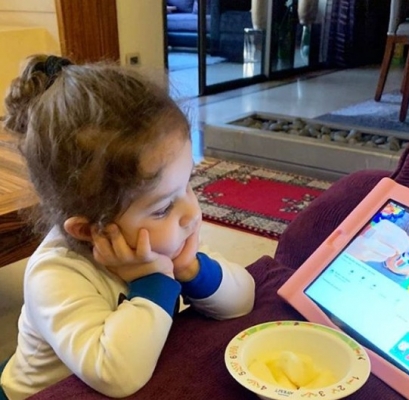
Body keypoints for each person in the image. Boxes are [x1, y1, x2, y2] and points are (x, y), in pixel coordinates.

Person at [0, 55, 256, 400]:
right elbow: (117, 375)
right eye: (163, 207)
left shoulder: (167, 241)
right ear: (89, 231)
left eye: (188, 185)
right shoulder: (56, 275)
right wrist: (153, 280)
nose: (191, 213)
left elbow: (243, 300)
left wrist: (191, 270)